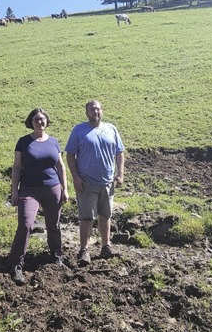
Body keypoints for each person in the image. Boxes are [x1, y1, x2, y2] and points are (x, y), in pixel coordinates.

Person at [8, 108, 69, 286]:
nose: (39, 122)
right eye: (36, 120)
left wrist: (65, 189)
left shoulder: (54, 142)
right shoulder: (23, 142)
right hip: (29, 189)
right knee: (26, 224)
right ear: (31, 122)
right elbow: (17, 167)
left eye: (42, 119)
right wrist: (14, 190)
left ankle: (56, 256)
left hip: (53, 188)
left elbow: (61, 166)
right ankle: (17, 263)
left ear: (47, 121)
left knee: (54, 224)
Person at [65, 100, 125, 266]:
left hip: (107, 182)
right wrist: (76, 177)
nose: (95, 112)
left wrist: (120, 174)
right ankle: (84, 250)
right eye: (92, 110)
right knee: (86, 217)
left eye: (98, 109)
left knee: (105, 215)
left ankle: (106, 246)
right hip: (86, 182)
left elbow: (120, 152)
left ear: (102, 111)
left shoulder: (111, 129)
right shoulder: (79, 130)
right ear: (87, 113)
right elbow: (70, 155)